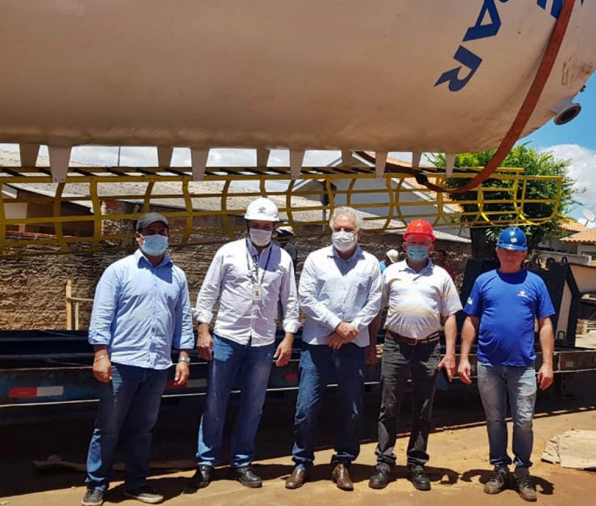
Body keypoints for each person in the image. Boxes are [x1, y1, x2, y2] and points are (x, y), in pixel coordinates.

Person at [82, 212, 194, 506]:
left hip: (157, 365)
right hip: (122, 363)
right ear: (139, 237)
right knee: (108, 427)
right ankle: (96, 484)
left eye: (162, 231)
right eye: (151, 231)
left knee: (142, 429)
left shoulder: (177, 276)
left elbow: (182, 320)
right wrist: (101, 354)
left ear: (169, 236)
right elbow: (102, 315)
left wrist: (183, 357)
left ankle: (136, 482)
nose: (157, 236)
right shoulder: (119, 271)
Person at [189, 198, 299, 490]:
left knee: (253, 405)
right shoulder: (228, 253)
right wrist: (203, 330)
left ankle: (242, 462)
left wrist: (288, 338)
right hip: (226, 337)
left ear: (275, 228)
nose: (261, 230)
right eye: (256, 225)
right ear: (247, 225)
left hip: (263, 342)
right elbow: (208, 291)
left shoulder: (283, 260)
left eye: (267, 226)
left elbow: (290, 301)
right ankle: (206, 462)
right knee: (215, 402)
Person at [286, 206, 383, 491]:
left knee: (351, 407)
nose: (343, 234)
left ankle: (343, 462)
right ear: (331, 230)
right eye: (338, 229)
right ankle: (302, 461)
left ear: (359, 232)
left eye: (348, 229)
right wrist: (337, 325)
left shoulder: (370, 263)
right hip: (317, 344)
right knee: (306, 406)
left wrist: (350, 328)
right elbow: (306, 298)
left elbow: (375, 302)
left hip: (353, 344)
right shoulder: (317, 260)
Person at [457, 226, 556, 503]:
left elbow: (546, 324)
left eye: (516, 251)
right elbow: (471, 321)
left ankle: (522, 471)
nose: (510, 255)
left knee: (524, 421)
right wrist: (464, 357)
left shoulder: (535, 283)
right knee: (495, 419)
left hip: (523, 365)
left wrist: (547, 363)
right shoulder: (484, 281)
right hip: (488, 363)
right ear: (498, 251)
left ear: (524, 254)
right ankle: (499, 468)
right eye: (505, 250)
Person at [368, 219, 461, 491]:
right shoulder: (390, 272)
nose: (418, 247)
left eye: (423, 242)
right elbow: (376, 311)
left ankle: (417, 464)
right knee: (389, 406)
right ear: (404, 243)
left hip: (429, 348)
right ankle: (384, 462)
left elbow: (451, 316)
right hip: (396, 345)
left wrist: (450, 353)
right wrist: (371, 345)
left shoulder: (441, 276)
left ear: (431, 245)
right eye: (413, 242)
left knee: (423, 408)